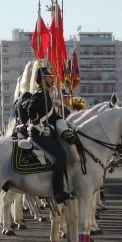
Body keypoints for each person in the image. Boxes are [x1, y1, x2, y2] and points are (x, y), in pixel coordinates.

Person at [27, 66, 76, 203]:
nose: (52, 79)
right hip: (39, 135)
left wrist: (66, 125)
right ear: (42, 79)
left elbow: (53, 116)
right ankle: (58, 192)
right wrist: (42, 127)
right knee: (61, 156)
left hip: (47, 133)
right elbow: (31, 112)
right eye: (49, 77)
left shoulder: (46, 94)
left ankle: (66, 186)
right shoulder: (38, 94)